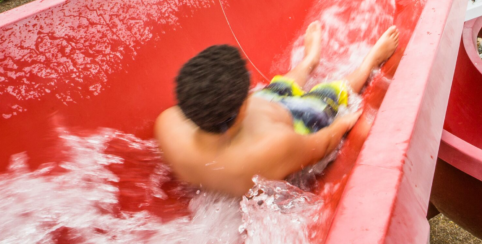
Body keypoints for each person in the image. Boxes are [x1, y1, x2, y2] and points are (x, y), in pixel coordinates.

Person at [155, 23, 399, 196]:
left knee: (279, 87)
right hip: (296, 121)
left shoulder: (168, 125)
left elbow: (219, 103)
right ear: (243, 106)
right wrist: (343, 123)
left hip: (254, 111)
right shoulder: (271, 148)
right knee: (330, 92)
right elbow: (322, 145)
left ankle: (309, 61)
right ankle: (370, 61)